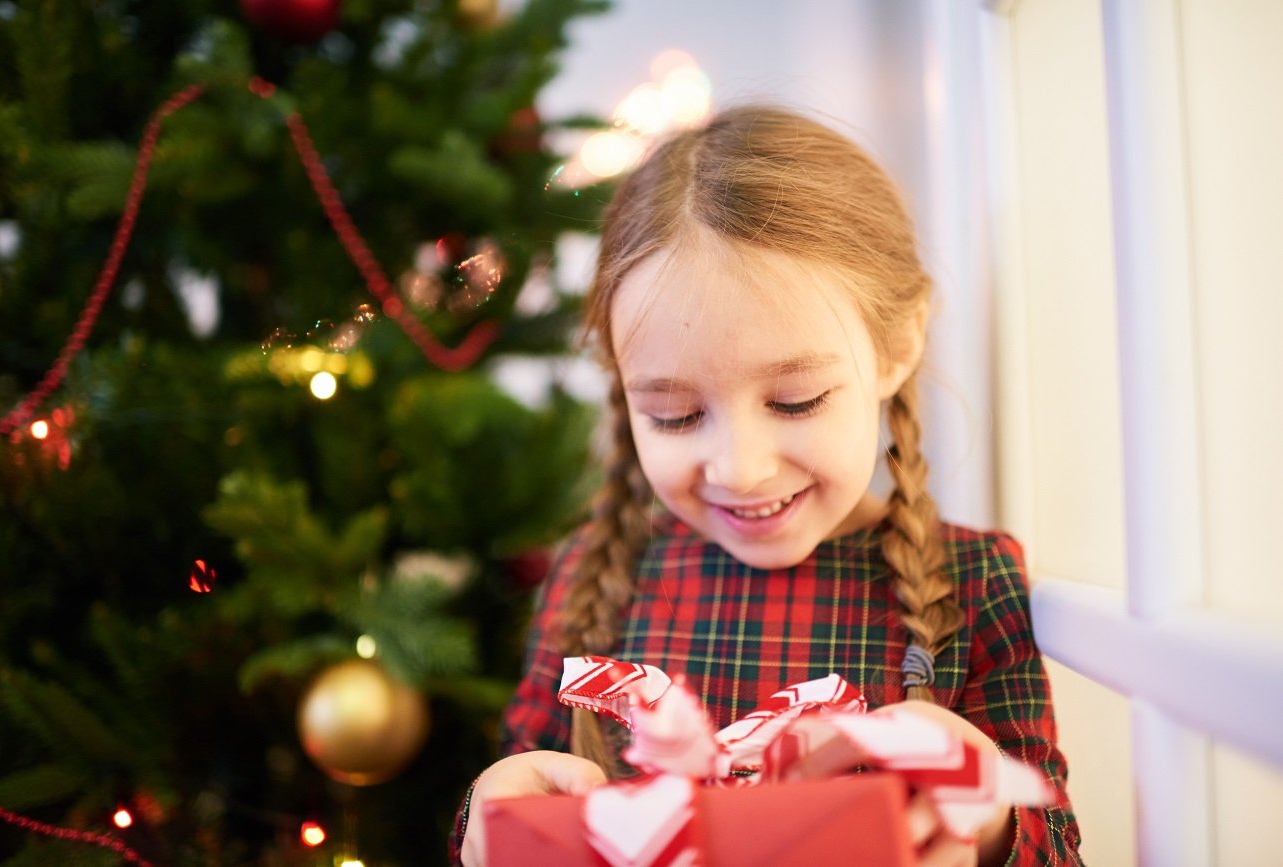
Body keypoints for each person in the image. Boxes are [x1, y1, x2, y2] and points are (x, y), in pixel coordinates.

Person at [452, 104, 1082, 866]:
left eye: (795, 401)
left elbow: (1058, 848)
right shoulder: (591, 579)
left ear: (897, 345)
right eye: (676, 414)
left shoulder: (976, 584)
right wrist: (493, 814)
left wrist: (989, 828)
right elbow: (526, 801)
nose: (741, 467)